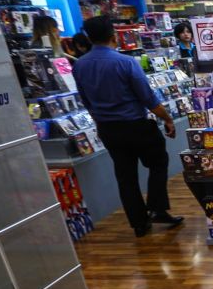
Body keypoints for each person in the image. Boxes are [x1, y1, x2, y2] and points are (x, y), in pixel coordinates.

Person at [73, 16, 183, 237]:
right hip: (136, 124)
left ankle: (139, 223)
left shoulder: (79, 65)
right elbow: (147, 97)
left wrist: (100, 122)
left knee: (125, 176)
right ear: (113, 35)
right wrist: (167, 119)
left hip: (108, 129)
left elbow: (86, 101)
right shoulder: (126, 62)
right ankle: (157, 208)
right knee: (158, 162)